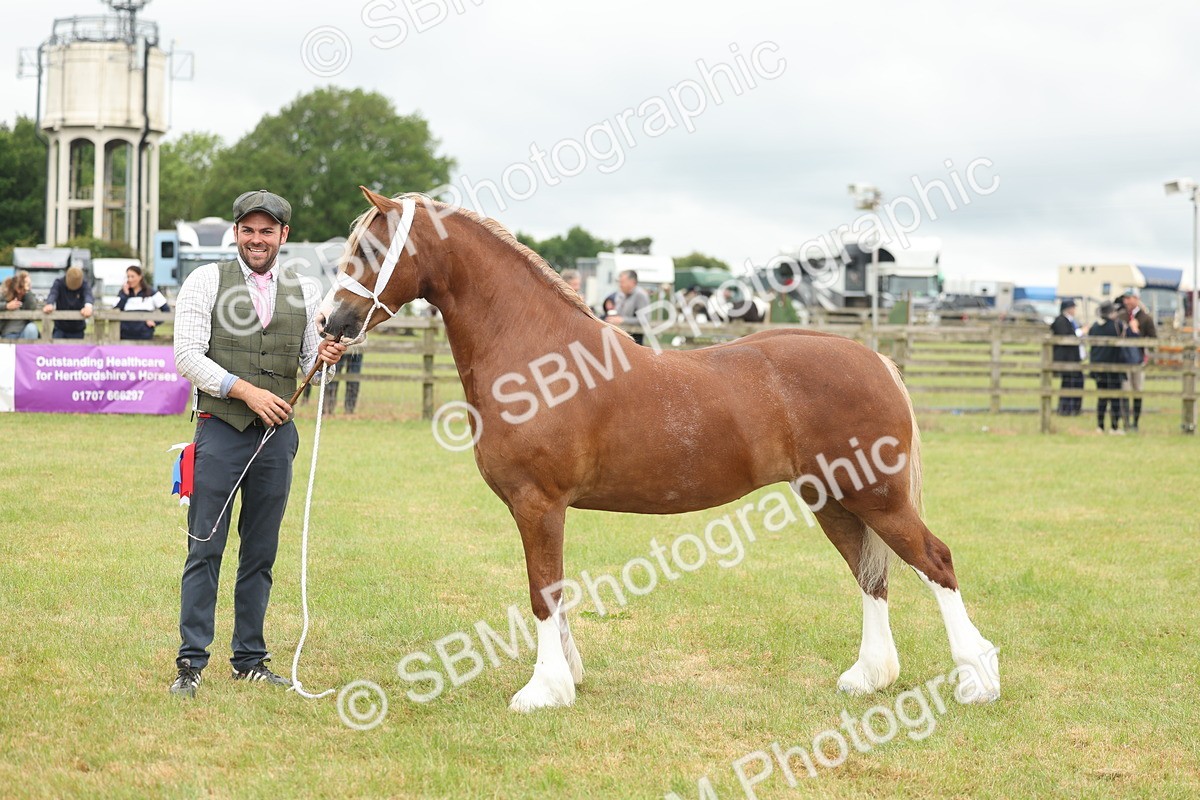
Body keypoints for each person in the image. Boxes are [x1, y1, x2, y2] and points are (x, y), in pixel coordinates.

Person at [169, 189, 347, 697]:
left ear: (283, 236)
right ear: (235, 233)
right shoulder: (206, 280)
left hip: (277, 441)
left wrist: (330, 355)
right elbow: (187, 355)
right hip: (220, 429)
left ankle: (249, 657)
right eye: (248, 229)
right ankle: (191, 661)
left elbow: (316, 361)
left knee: (261, 552)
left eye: (267, 230)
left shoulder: (306, 290)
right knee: (205, 547)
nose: (256, 238)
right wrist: (246, 392)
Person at [1120, 290, 1156, 432]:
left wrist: (1137, 333)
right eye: (1125, 299)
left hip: (1138, 360)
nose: (1126, 302)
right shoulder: (1121, 316)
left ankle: (1135, 421)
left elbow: (1153, 339)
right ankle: (1125, 422)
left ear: (1136, 299)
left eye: (1129, 298)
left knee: (1137, 390)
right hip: (1123, 360)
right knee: (1125, 390)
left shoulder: (1145, 318)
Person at [1088, 302, 1124, 435]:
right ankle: (1114, 427)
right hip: (1114, 367)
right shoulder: (1116, 326)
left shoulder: (1095, 327)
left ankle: (1100, 426)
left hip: (1098, 368)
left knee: (1102, 397)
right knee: (1115, 398)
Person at [116, 265, 170, 340]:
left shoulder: (152, 292)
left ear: (140, 277)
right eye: (128, 277)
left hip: (144, 336)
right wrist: (125, 295)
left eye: (132, 276)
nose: (130, 279)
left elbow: (166, 310)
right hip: (125, 336)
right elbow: (115, 311)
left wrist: (155, 322)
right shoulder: (123, 293)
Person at [1050, 299, 1084, 416]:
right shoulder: (1061, 321)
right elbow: (1066, 337)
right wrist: (1080, 332)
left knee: (1075, 383)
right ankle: (1067, 409)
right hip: (1067, 359)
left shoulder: (1070, 321)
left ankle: (1073, 408)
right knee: (1068, 383)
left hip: (1073, 358)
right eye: (1073, 307)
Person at [42, 266, 95, 339]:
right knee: (56, 349)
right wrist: (50, 304)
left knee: (77, 350)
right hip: (60, 328)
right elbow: (53, 293)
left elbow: (88, 295)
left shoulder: (84, 285)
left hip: (78, 329)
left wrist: (88, 307)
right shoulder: (59, 283)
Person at [604, 269, 651, 345]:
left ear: (632, 282)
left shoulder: (640, 295)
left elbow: (644, 320)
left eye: (622, 282)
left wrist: (622, 320)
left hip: (635, 341)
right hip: (622, 339)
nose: (620, 285)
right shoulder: (622, 294)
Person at [1, 270, 40, 339]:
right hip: (8, 333)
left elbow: (32, 307)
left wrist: (27, 291)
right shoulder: (5, 295)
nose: (29, 286)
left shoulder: (27, 297)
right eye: (27, 284)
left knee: (32, 328)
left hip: (24, 333)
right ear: (18, 288)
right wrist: (6, 306)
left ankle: (29, 350)